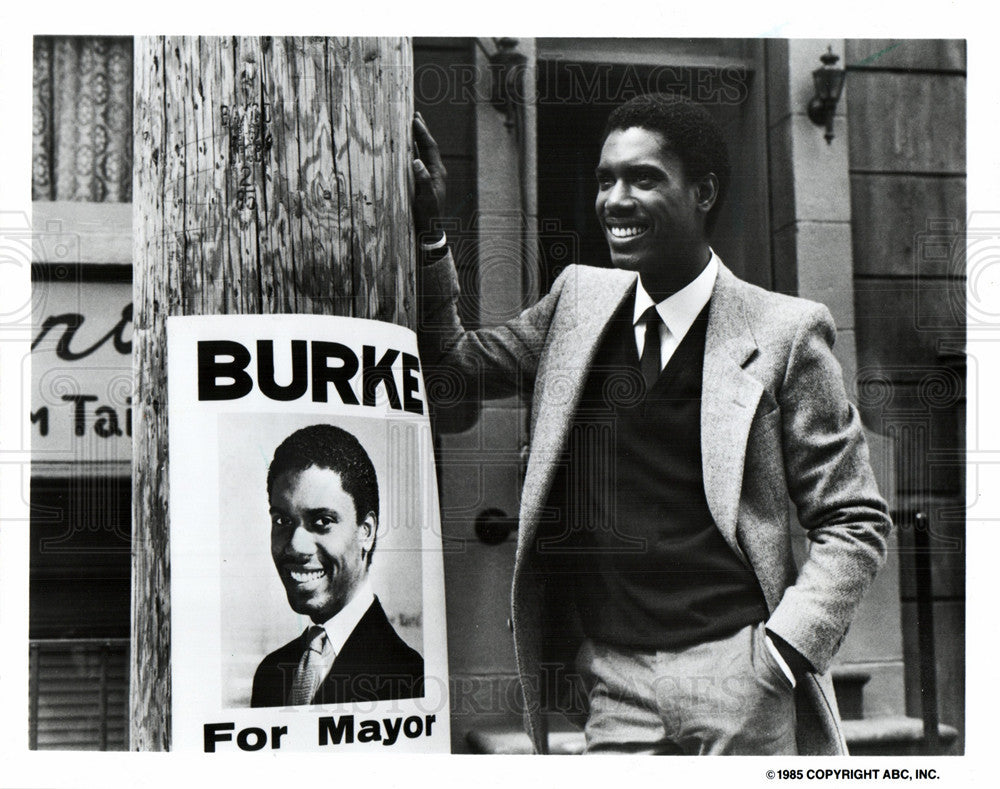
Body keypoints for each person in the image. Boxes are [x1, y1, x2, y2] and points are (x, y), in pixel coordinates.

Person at [411, 94, 891, 754]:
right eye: (606, 179)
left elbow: (855, 518)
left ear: (703, 191)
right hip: (616, 682)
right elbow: (452, 376)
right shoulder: (576, 304)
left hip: (739, 676)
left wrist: (782, 651)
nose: (615, 199)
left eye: (643, 178)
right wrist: (431, 236)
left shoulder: (785, 332)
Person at [250, 424, 424, 707]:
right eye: (282, 521)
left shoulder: (411, 678)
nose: (295, 546)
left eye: (322, 522)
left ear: (365, 531)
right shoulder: (271, 673)